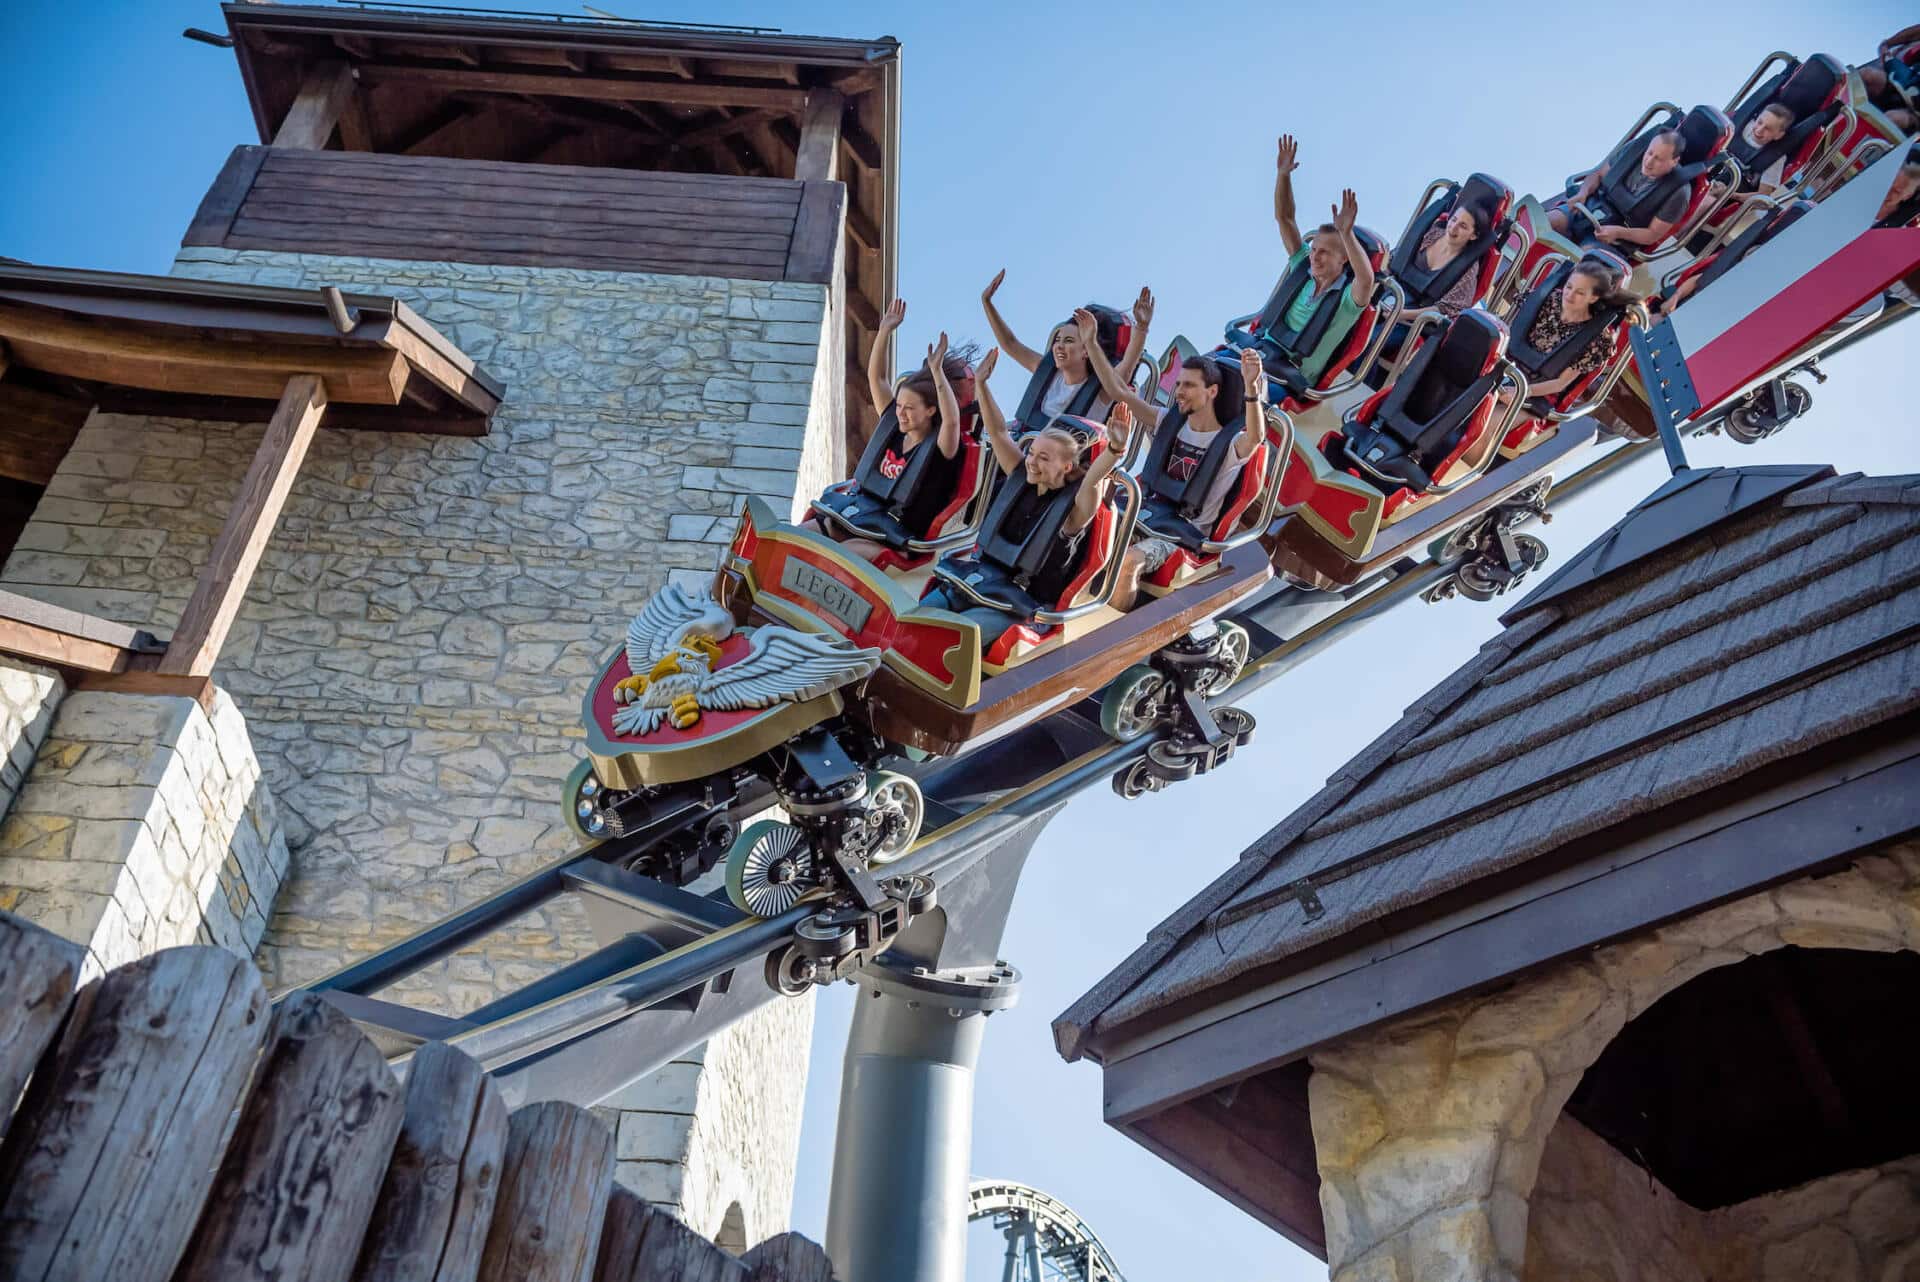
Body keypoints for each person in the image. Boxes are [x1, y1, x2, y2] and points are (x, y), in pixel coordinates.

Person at [919, 347, 1125, 638]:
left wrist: (1114, 451)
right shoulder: (1021, 476)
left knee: (953, 635)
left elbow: (1092, 481)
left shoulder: (1075, 512)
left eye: (1044, 458)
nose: (1032, 461)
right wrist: (982, 384)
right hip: (979, 582)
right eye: (1033, 453)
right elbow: (1000, 432)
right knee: (919, 617)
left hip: (1018, 605)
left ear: (1067, 467)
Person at [1082, 343, 1270, 610]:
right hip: (1146, 513)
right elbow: (1118, 391)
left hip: (1181, 534)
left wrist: (1251, 388)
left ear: (1212, 391)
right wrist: (1092, 341)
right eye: (1178, 384)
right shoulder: (1168, 422)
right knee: (1082, 527)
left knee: (1129, 562)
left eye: (1189, 386)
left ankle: (1108, 631)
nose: (1179, 392)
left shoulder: (1230, 444)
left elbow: (1255, 437)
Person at [806, 300, 966, 565]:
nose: (900, 413)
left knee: (843, 555)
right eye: (899, 405)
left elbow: (952, 421)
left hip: (894, 535)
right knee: (804, 534)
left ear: (930, 411)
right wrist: (883, 332)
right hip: (859, 516)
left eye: (910, 408)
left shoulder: (941, 447)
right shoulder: (894, 425)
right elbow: (877, 379)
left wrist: (937, 374)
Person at [1259, 134, 1378, 391]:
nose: (1315, 256)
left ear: (1343, 259)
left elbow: (1367, 279)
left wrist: (1346, 233)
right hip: (1260, 354)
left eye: (1324, 252)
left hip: (1288, 377)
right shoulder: (1302, 265)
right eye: (1314, 249)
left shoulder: (1348, 300)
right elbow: (1285, 218)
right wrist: (1283, 175)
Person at [978, 272, 1152, 436]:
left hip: (1065, 460)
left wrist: (1142, 327)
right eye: (1058, 340)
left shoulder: (1103, 389)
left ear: (1086, 350)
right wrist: (987, 303)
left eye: (1068, 341)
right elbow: (1010, 344)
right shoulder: (1048, 373)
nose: (1059, 346)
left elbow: (1127, 366)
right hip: (1029, 446)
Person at [1498, 258, 1635, 418]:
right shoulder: (1549, 299)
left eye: (1580, 292)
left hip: (1538, 393)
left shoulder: (1596, 339)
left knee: (1485, 426)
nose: (1570, 295)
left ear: (1593, 298)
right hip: (1506, 369)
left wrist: (1523, 392)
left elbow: (1560, 384)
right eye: (1569, 287)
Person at [1379, 198, 1496, 370]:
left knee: (1373, 340)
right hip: (1391, 293)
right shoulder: (1432, 234)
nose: (1453, 227)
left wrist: (1402, 314)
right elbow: (1397, 260)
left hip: (1413, 318)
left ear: (1473, 235)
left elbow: (1446, 309)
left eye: (1463, 226)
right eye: (1454, 219)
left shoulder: (1468, 269)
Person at [1550, 129, 1691, 253]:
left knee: (1584, 259)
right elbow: (1598, 174)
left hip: (1618, 236)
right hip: (1591, 207)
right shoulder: (1634, 150)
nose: (1648, 162)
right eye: (1649, 153)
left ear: (1674, 161)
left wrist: (1618, 232)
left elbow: (1652, 234)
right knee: (1546, 222)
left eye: (1658, 159)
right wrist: (1583, 192)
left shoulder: (1679, 193)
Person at [1858, 24, 1920, 135]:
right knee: (1867, 75)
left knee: (1892, 119)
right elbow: (1914, 32)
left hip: (1915, 115)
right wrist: (1887, 44)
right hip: (1907, 83)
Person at [1724, 102, 1796, 197]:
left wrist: (1730, 194)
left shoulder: (1775, 158)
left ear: (1779, 135)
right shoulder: (1742, 128)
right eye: (1759, 122)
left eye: (1768, 129)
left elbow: (1763, 194)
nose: (1759, 130)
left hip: (1735, 190)